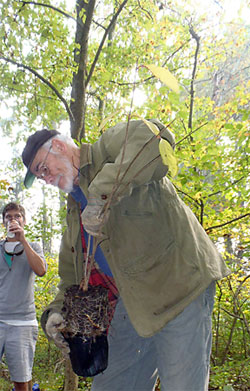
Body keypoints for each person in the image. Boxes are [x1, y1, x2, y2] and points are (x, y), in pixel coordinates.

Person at [21, 119, 230, 391]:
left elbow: (155, 139)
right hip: (129, 306)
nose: (47, 180)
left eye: (44, 169)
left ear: (59, 146)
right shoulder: (73, 213)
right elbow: (70, 277)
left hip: (180, 289)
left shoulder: (107, 148)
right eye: (41, 178)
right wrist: (55, 313)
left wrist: (100, 195)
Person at [0, 202, 47, 391]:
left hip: (23, 323)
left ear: (24, 221)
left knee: (21, 381)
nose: (13, 220)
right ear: (3, 222)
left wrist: (23, 240)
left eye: (17, 216)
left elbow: (41, 270)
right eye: (8, 217)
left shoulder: (33, 246)